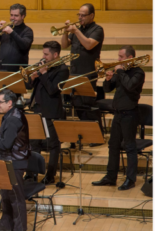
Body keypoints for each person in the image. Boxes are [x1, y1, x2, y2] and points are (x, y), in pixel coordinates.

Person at [92, 46, 145, 190]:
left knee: (129, 147)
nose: (118, 59)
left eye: (121, 57)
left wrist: (120, 71)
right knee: (113, 146)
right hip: (118, 114)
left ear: (129, 58)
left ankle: (130, 179)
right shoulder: (121, 71)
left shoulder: (138, 73)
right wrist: (108, 80)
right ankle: (110, 177)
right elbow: (108, 89)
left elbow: (129, 86)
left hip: (130, 115)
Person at [0, 89, 29, 231]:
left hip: (14, 164)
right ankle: (5, 227)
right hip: (7, 162)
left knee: (16, 199)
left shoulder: (13, 119)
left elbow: (6, 144)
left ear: (10, 103)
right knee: (6, 197)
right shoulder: (10, 115)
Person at [61, 3, 105, 142]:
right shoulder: (78, 30)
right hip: (74, 72)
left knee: (88, 105)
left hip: (88, 73)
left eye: (83, 15)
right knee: (78, 104)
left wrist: (76, 31)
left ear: (91, 15)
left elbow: (88, 44)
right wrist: (65, 31)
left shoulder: (97, 29)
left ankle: (97, 136)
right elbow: (63, 45)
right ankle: (86, 136)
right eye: (78, 15)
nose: (80, 18)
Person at [26, 41, 69, 184]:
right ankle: (31, 174)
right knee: (33, 143)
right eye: (43, 53)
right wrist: (32, 78)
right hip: (37, 109)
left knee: (53, 145)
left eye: (46, 54)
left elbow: (52, 90)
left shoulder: (62, 70)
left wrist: (43, 74)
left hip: (51, 111)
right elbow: (30, 85)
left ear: (55, 54)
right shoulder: (43, 64)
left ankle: (50, 176)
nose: (43, 57)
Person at [0, 3, 34, 72]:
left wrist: (12, 32)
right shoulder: (6, 28)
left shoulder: (28, 31)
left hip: (18, 70)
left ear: (23, 16)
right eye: (11, 15)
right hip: (2, 68)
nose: (12, 18)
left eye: (16, 16)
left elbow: (24, 46)